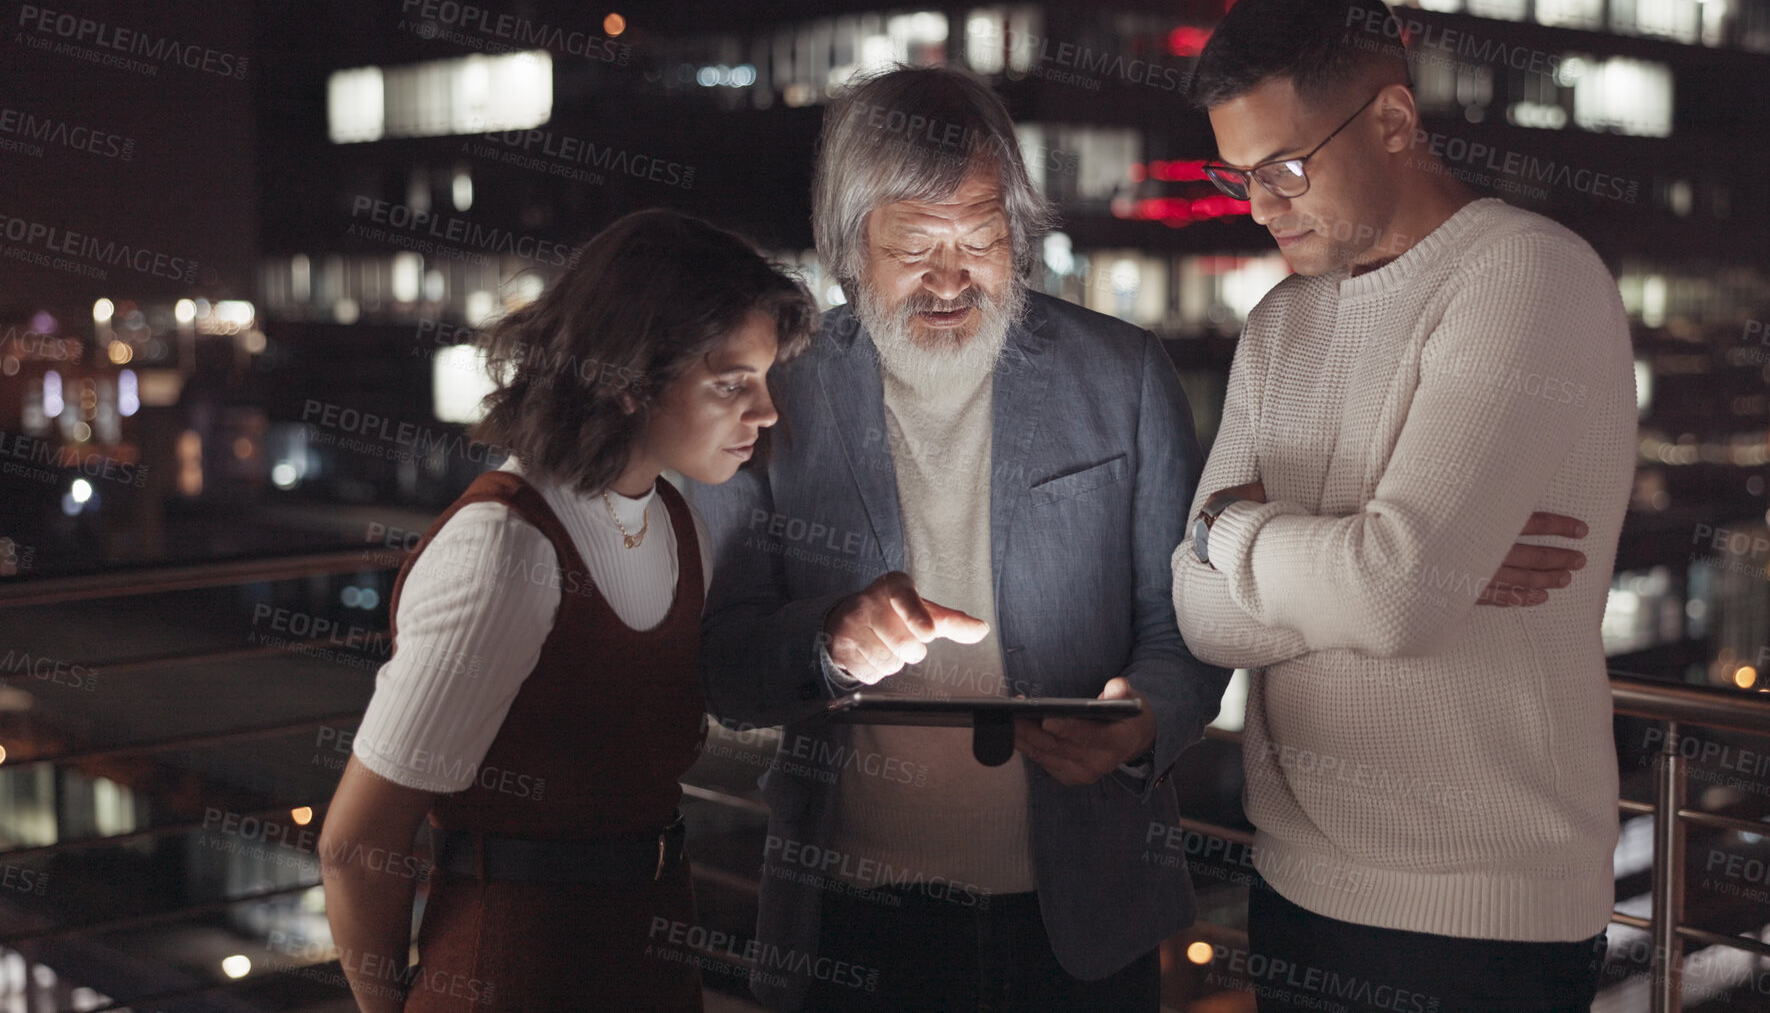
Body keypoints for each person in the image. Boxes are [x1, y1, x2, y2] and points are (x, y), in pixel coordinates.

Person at [688, 65, 1232, 1012]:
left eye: (980, 239)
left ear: (1016, 236)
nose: (950, 277)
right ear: (851, 249)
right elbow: (726, 662)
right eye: (912, 246)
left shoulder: (1122, 375)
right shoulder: (781, 394)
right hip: (849, 920)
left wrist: (1143, 723)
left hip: (1078, 920)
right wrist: (829, 642)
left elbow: (1183, 621)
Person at [1172, 0, 1635, 1010]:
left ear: (1392, 121)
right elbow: (1200, 616)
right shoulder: (1278, 324)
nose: (1260, 206)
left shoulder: (1525, 276)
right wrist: (1363, 559)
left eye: (1286, 168)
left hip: (1477, 924)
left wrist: (1228, 529)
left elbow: (1395, 594)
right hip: (1290, 882)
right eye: (1239, 175)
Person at [316, 209, 816, 1012]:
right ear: (626, 379)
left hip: (650, 957)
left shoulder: (677, 523)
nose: (765, 412)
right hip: (507, 975)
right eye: (731, 383)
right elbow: (357, 844)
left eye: (764, 380)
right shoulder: (504, 549)